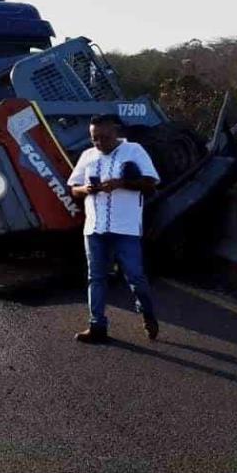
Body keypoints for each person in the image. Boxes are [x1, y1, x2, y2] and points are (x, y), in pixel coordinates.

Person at [67, 114, 161, 344]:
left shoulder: (134, 150)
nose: (99, 143)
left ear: (116, 131)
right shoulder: (87, 156)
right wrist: (86, 189)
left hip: (125, 229)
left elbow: (152, 183)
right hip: (95, 229)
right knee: (96, 277)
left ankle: (147, 314)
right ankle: (97, 325)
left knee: (135, 277)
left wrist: (122, 183)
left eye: (104, 137)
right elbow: (73, 188)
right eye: (94, 138)